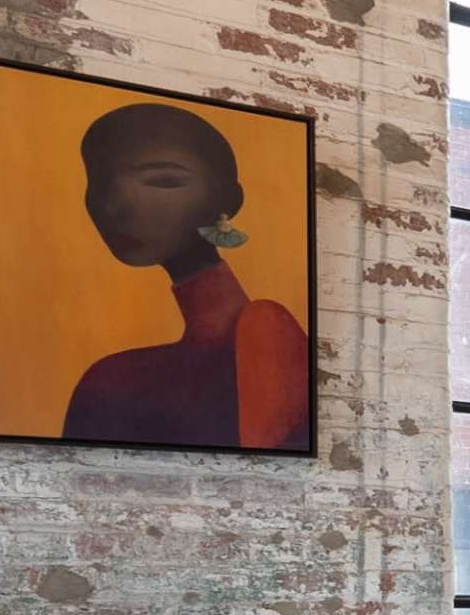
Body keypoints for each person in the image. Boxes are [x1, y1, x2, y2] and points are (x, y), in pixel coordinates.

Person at [61, 101, 310, 452]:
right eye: (100, 184)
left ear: (228, 202)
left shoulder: (265, 330)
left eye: (163, 181)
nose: (113, 205)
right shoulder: (107, 378)